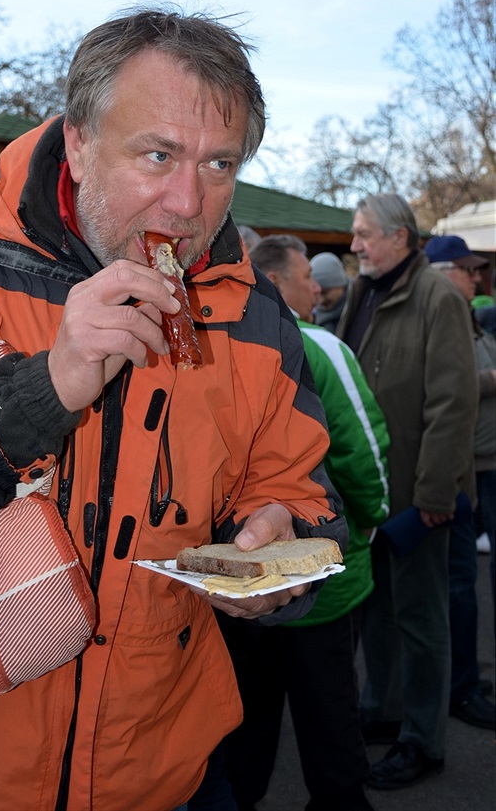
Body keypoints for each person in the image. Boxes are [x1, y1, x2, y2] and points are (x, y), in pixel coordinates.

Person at [0, 8, 346, 811]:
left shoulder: (254, 316)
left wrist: (280, 546)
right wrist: (36, 390)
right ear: (80, 142)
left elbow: (309, 499)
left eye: (220, 163)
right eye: (158, 154)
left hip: (162, 781)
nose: (188, 202)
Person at [201, 235, 390, 811]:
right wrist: (372, 523)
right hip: (318, 586)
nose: (317, 286)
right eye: (306, 274)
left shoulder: (208, 346)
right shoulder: (320, 346)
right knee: (330, 730)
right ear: (276, 284)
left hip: (236, 590)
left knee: (246, 731)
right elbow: (364, 456)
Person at [337, 194, 478, 790]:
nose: (354, 245)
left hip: (420, 495)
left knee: (422, 618)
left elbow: (453, 405)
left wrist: (434, 496)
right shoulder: (362, 291)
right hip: (374, 492)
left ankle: (423, 738)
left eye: (364, 234)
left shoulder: (439, 298)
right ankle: (384, 709)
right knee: (380, 612)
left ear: (400, 237)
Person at [424, 234, 496, 730]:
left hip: (482, 466)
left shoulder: (468, 316)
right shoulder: (442, 316)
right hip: (463, 470)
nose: (477, 278)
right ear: (444, 271)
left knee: (463, 583)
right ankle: (459, 687)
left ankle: (464, 678)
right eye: (467, 270)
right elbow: (452, 390)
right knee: (458, 585)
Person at [310, 251, 349, 333]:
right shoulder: (310, 316)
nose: (321, 300)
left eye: (325, 292)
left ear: (341, 285)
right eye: (316, 293)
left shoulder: (358, 311)